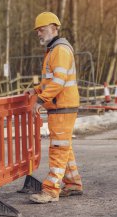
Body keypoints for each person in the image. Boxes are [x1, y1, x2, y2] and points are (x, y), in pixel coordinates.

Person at [27, 12, 83, 204]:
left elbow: (58, 82)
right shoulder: (54, 50)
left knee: (58, 148)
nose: (39, 34)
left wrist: (40, 99)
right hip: (62, 105)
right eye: (37, 32)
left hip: (62, 106)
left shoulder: (59, 50)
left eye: (41, 30)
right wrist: (35, 90)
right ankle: (73, 183)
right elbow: (50, 81)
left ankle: (51, 191)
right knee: (64, 146)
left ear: (53, 27)